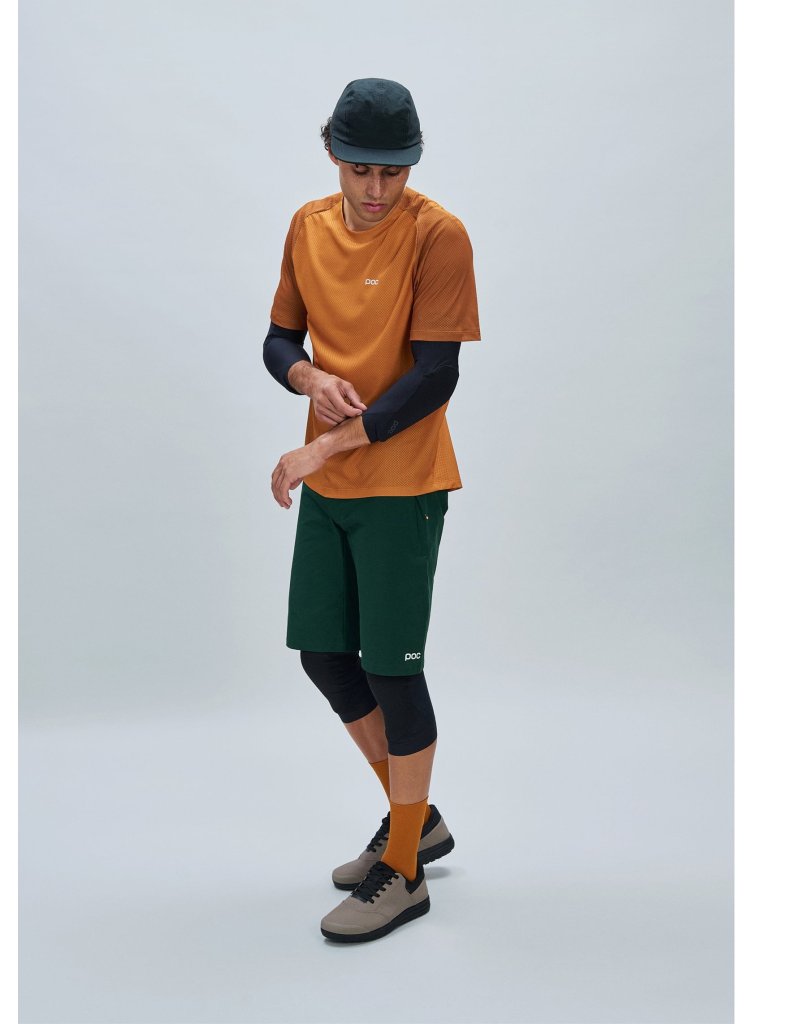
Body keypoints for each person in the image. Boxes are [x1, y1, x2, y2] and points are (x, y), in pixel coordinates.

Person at [263, 78, 481, 942]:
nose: (377, 189)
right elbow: (279, 338)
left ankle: (405, 873)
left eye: (394, 171)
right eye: (361, 170)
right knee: (324, 654)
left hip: (404, 486)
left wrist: (320, 448)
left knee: (393, 669)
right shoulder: (306, 226)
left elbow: (436, 377)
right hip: (332, 492)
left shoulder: (439, 235)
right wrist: (307, 376)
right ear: (332, 155)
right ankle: (415, 825)